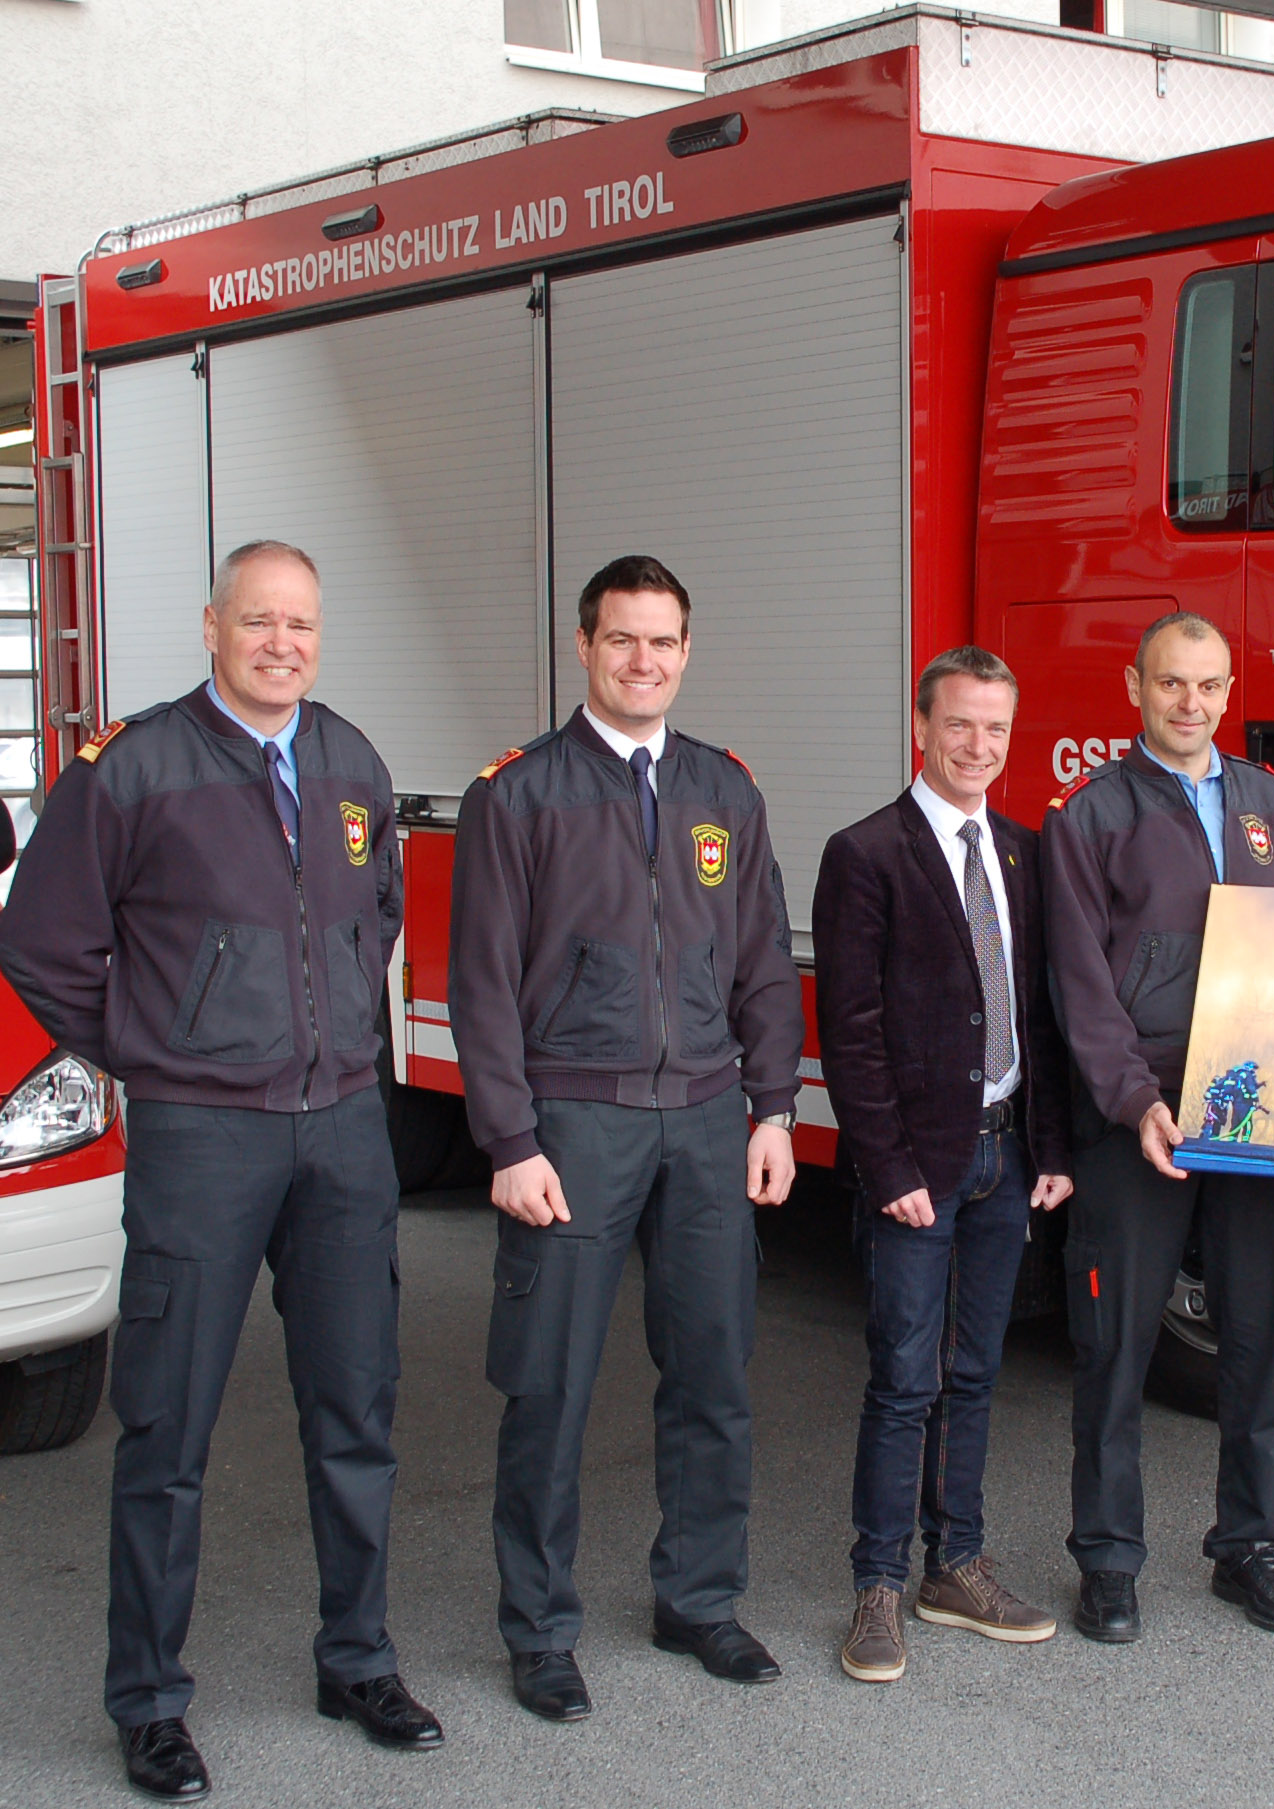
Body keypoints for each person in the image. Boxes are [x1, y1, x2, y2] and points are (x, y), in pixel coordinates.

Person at [0, 540, 439, 1803]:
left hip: (345, 1131)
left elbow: (376, 920)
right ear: (210, 627)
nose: (280, 643)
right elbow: (38, 942)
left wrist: (341, 1035)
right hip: (204, 1137)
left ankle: (356, 1660)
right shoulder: (132, 768)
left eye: (300, 623)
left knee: (355, 1411)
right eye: (258, 622)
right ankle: (147, 1701)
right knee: (168, 1428)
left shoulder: (351, 759)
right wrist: (156, 1049)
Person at [446, 553, 805, 1724]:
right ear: (584, 648)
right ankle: (539, 1629)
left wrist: (772, 1110)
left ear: (686, 652)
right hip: (573, 1123)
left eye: (663, 643)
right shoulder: (520, 795)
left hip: (707, 1123)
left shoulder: (725, 791)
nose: (643, 662)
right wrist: (508, 1139)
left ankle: (697, 1600)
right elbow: (481, 984)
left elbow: (760, 964)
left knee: (712, 1375)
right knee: (547, 1385)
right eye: (622, 641)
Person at [1042, 610, 1274, 1645]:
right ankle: (1109, 1560)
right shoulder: (1092, 814)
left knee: (1261, 1336)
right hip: (1138, 1121)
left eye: (1208, 686)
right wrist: (1133, 1101)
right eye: (1170, 684)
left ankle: (1252, 1548)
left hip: (1256, 1115)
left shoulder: (1266, 800)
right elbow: (1078, 984)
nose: (1190, 704)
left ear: (1227, 687)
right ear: (1134, 687)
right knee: (1113, 1346)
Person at [812, 646, 1075, 1685]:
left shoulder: (1020, 851)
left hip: (1005, 1157)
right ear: (922, 726)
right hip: (916, 1168)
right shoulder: (866, 853)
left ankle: (954, 1566)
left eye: (996, 729)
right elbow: (851, 1028)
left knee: (975, 1374)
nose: (979, 746)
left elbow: (1038, 1012)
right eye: (960, 725)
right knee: (903, 1380)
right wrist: (885, 1167)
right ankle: (877, 1586)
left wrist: (1049, 1148)